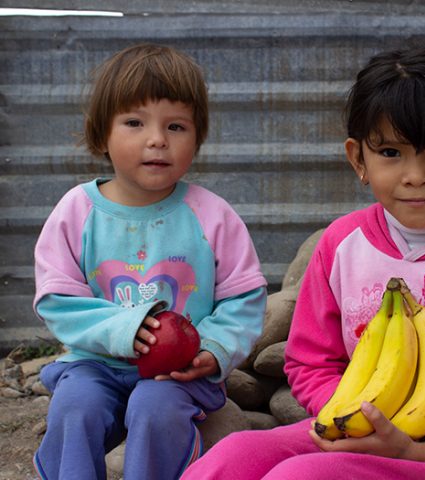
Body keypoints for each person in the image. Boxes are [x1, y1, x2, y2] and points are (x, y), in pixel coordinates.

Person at [181, 44, 425, 480]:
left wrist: (412, 450)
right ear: (357, 158)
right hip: (355, 434)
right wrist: (358, 417)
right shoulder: (342, 244)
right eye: (391, 153)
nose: (415, 175)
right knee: (231, 457)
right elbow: (311, 362)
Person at [32, 43, 267, 480]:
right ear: (102, 133)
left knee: (155, 409)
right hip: (95, 362)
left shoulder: (212, 215)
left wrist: (213, 350)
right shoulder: (76, 211)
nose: (157, 139)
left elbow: (244, 299)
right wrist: (125, 331)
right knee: (75, 405)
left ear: (197, 137)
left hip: (175, 374)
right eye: (135, 122)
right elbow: (58, 298)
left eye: (176, 126)